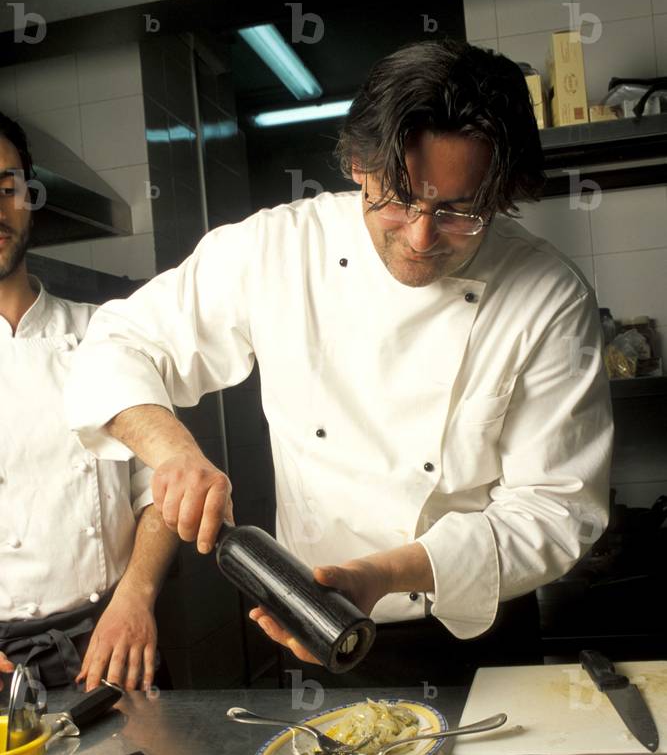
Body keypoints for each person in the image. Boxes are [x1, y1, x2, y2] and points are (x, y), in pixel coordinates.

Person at [65, 39, 613, 685]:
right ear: (357, 163)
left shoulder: (545, 291)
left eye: (459, 212)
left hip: (478, 623)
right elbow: (120, 341)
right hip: (314, 621)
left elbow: (554, 509)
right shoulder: (276, 248)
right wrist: (174, 452)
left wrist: (379, 573)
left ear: (500, 193)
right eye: (398, 198)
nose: (419, 237)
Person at [0, 112, 178, 692]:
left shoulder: (106, 333)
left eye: (6, 188)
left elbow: (161, 485)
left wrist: (136, 596)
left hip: (115, 641)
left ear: (30, 196)